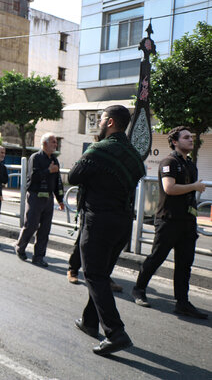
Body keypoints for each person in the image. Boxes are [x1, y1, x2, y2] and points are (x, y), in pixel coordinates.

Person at [68, 105, 145, 356]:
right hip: (122, 223)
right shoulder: (133, 154)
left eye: (101, 119)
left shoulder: (100, 149)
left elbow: (73, 177)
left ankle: (115, 332)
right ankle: (90, 322)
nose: (99, 123)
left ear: (110, 122)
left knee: (94, 275)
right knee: (101, 273)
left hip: (98, 220)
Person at [131, 127, 207, 319]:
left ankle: (182, 302)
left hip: (187, 221)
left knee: (185, 263)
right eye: (186, 137)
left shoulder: (190, 163)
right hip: (169, 220)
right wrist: (195, 186)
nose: (191, 140)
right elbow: (169, 188)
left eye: (192, 136)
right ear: (175, 141)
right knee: (157, 257)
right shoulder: (169, 162)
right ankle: (139, 289)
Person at [15, 133, 64, 267]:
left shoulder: (54, 159)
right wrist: (48, 170)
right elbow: (33, 177)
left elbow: (57, 180)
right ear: (44, 144)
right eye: (53, 142)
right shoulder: (35, 158)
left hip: (48, 198)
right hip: (35, 196)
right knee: (31, 225)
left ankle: (39, 257)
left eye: (56, 142)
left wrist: (60, 199)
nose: (55, 144)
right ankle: (20, 247)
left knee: (45, 230)